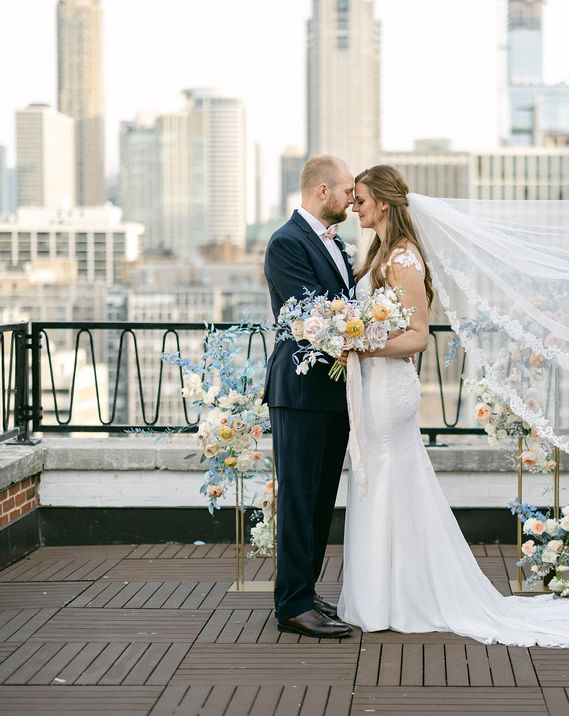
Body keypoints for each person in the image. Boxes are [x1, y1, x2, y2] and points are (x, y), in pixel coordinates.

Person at [337, 165, 569, 647]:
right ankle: (384, 593)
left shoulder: (403, 258)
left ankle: (396, 596)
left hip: (388, 389)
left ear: (381, 202)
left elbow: (418, 336)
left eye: (359, 199)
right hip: (374, 386)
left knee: (384, 483)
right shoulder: (380, 253)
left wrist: (358, 345)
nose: (353, 207)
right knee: (382, 484)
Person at [262, 155, 357, 639]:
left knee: (321, 500)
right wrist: (367, 324)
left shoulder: (337, 243)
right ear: (323, 190)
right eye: (346, 191)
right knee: (299, 498)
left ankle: (306, 589)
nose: (352, 199)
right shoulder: (286, 242)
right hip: (299, 392)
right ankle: (292, 605)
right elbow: (312, 314)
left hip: (333, 392)